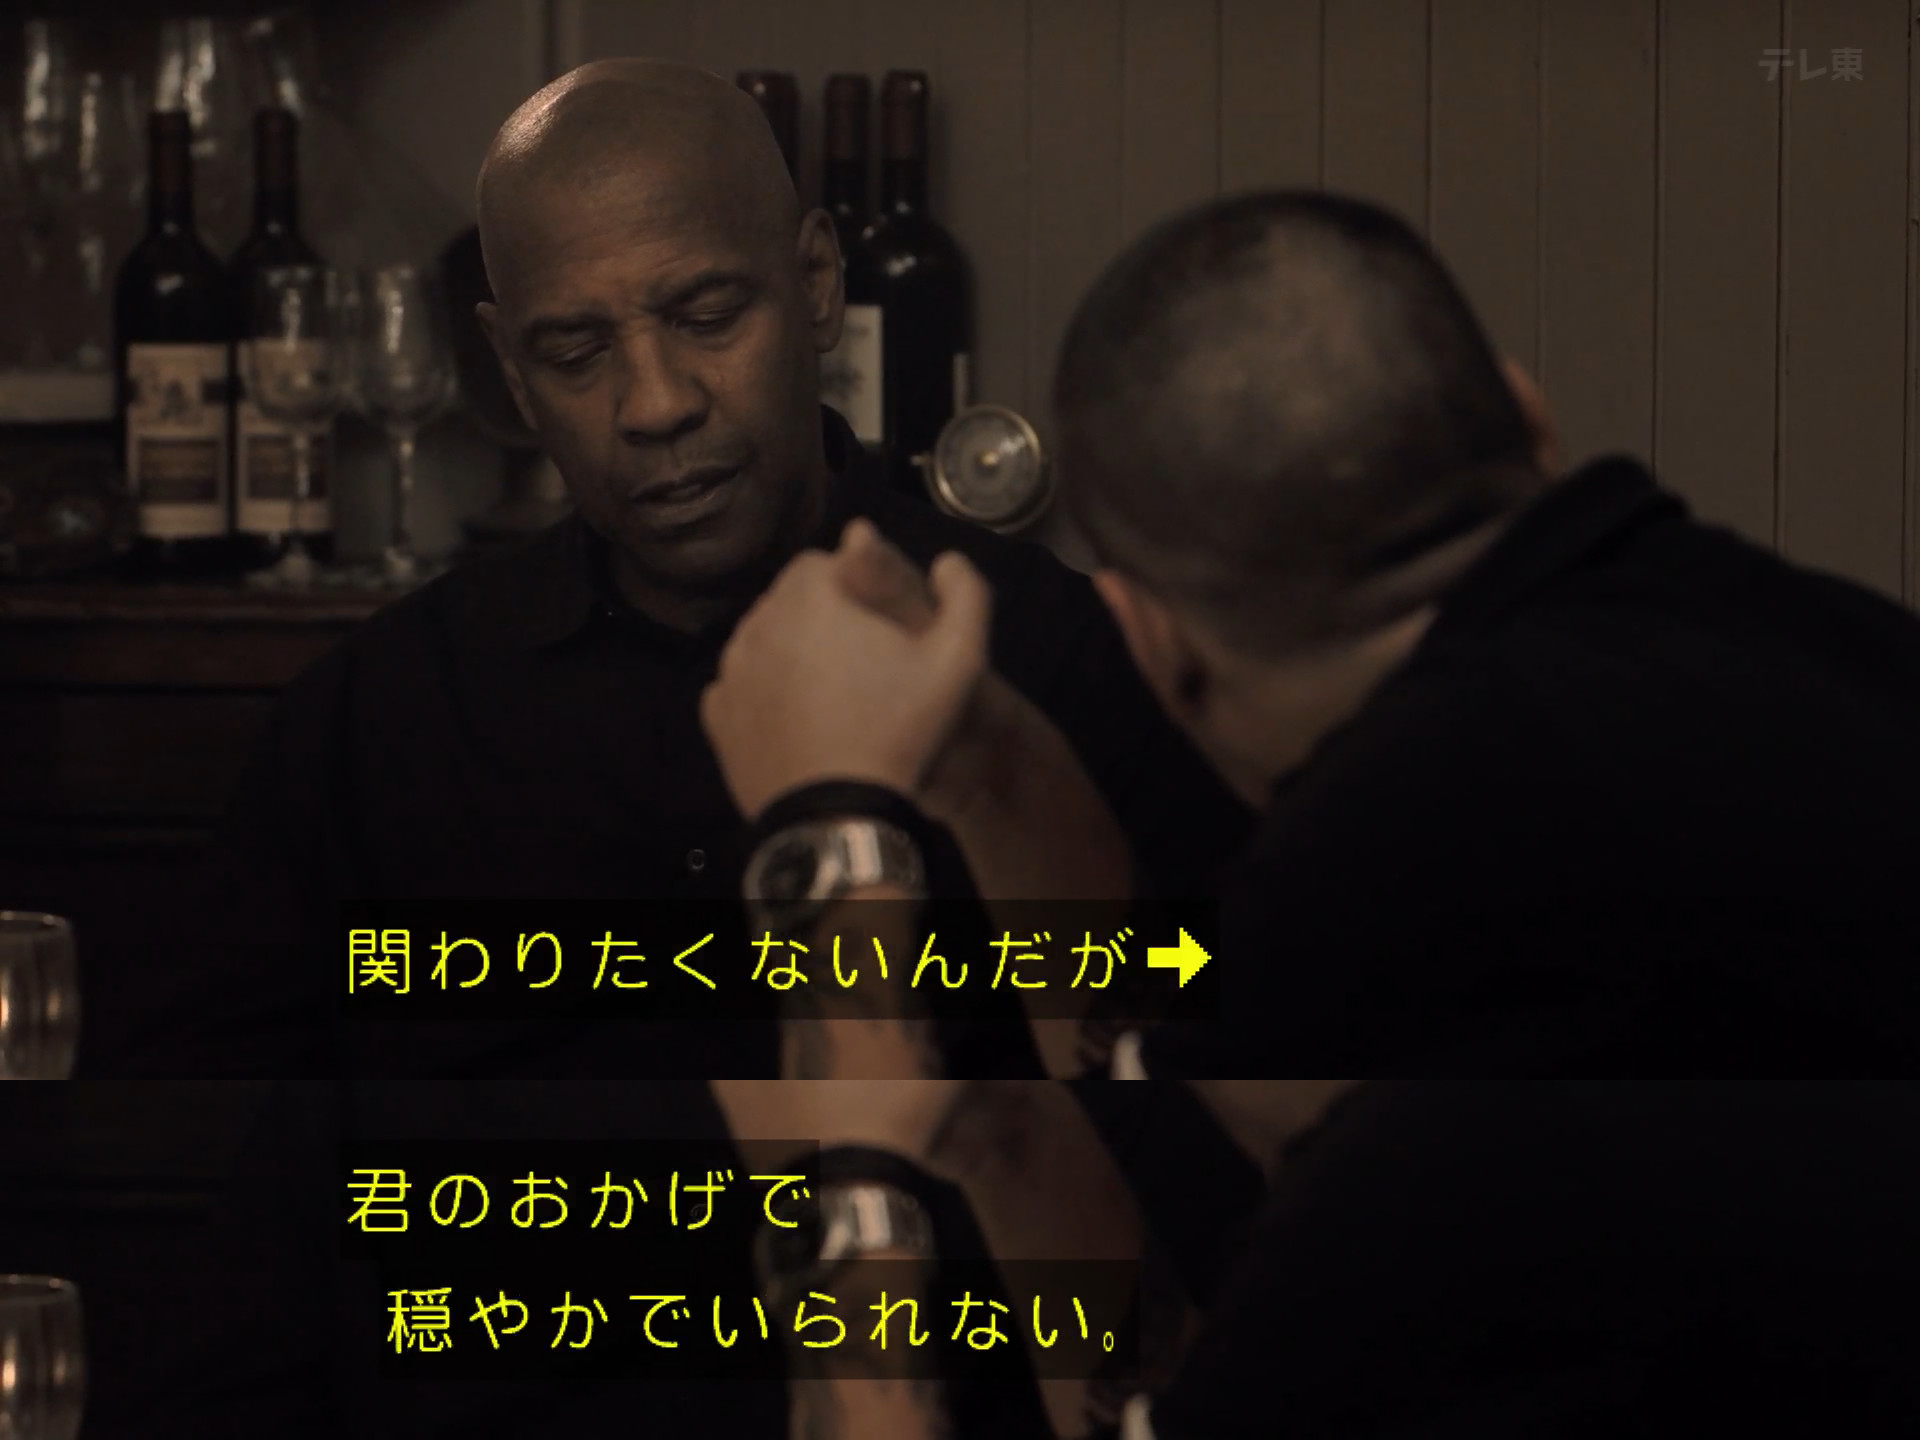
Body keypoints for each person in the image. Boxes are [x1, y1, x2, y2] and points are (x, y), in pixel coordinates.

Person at [694, 187, 1920, 1435]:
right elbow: (1163, 1080)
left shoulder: (1410, 910)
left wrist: (825, 833)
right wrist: (987, 764)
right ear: (1529, 420)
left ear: (1148, 637)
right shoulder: (1852, 663)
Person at [111, 57, 1250, 1083]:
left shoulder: (1057, 656)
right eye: (576, 352)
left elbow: (1208, 1071)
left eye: (708, 317)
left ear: (815, 285)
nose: (655, 405)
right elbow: (207, 1125)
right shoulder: (380, 716)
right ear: (512, 372)